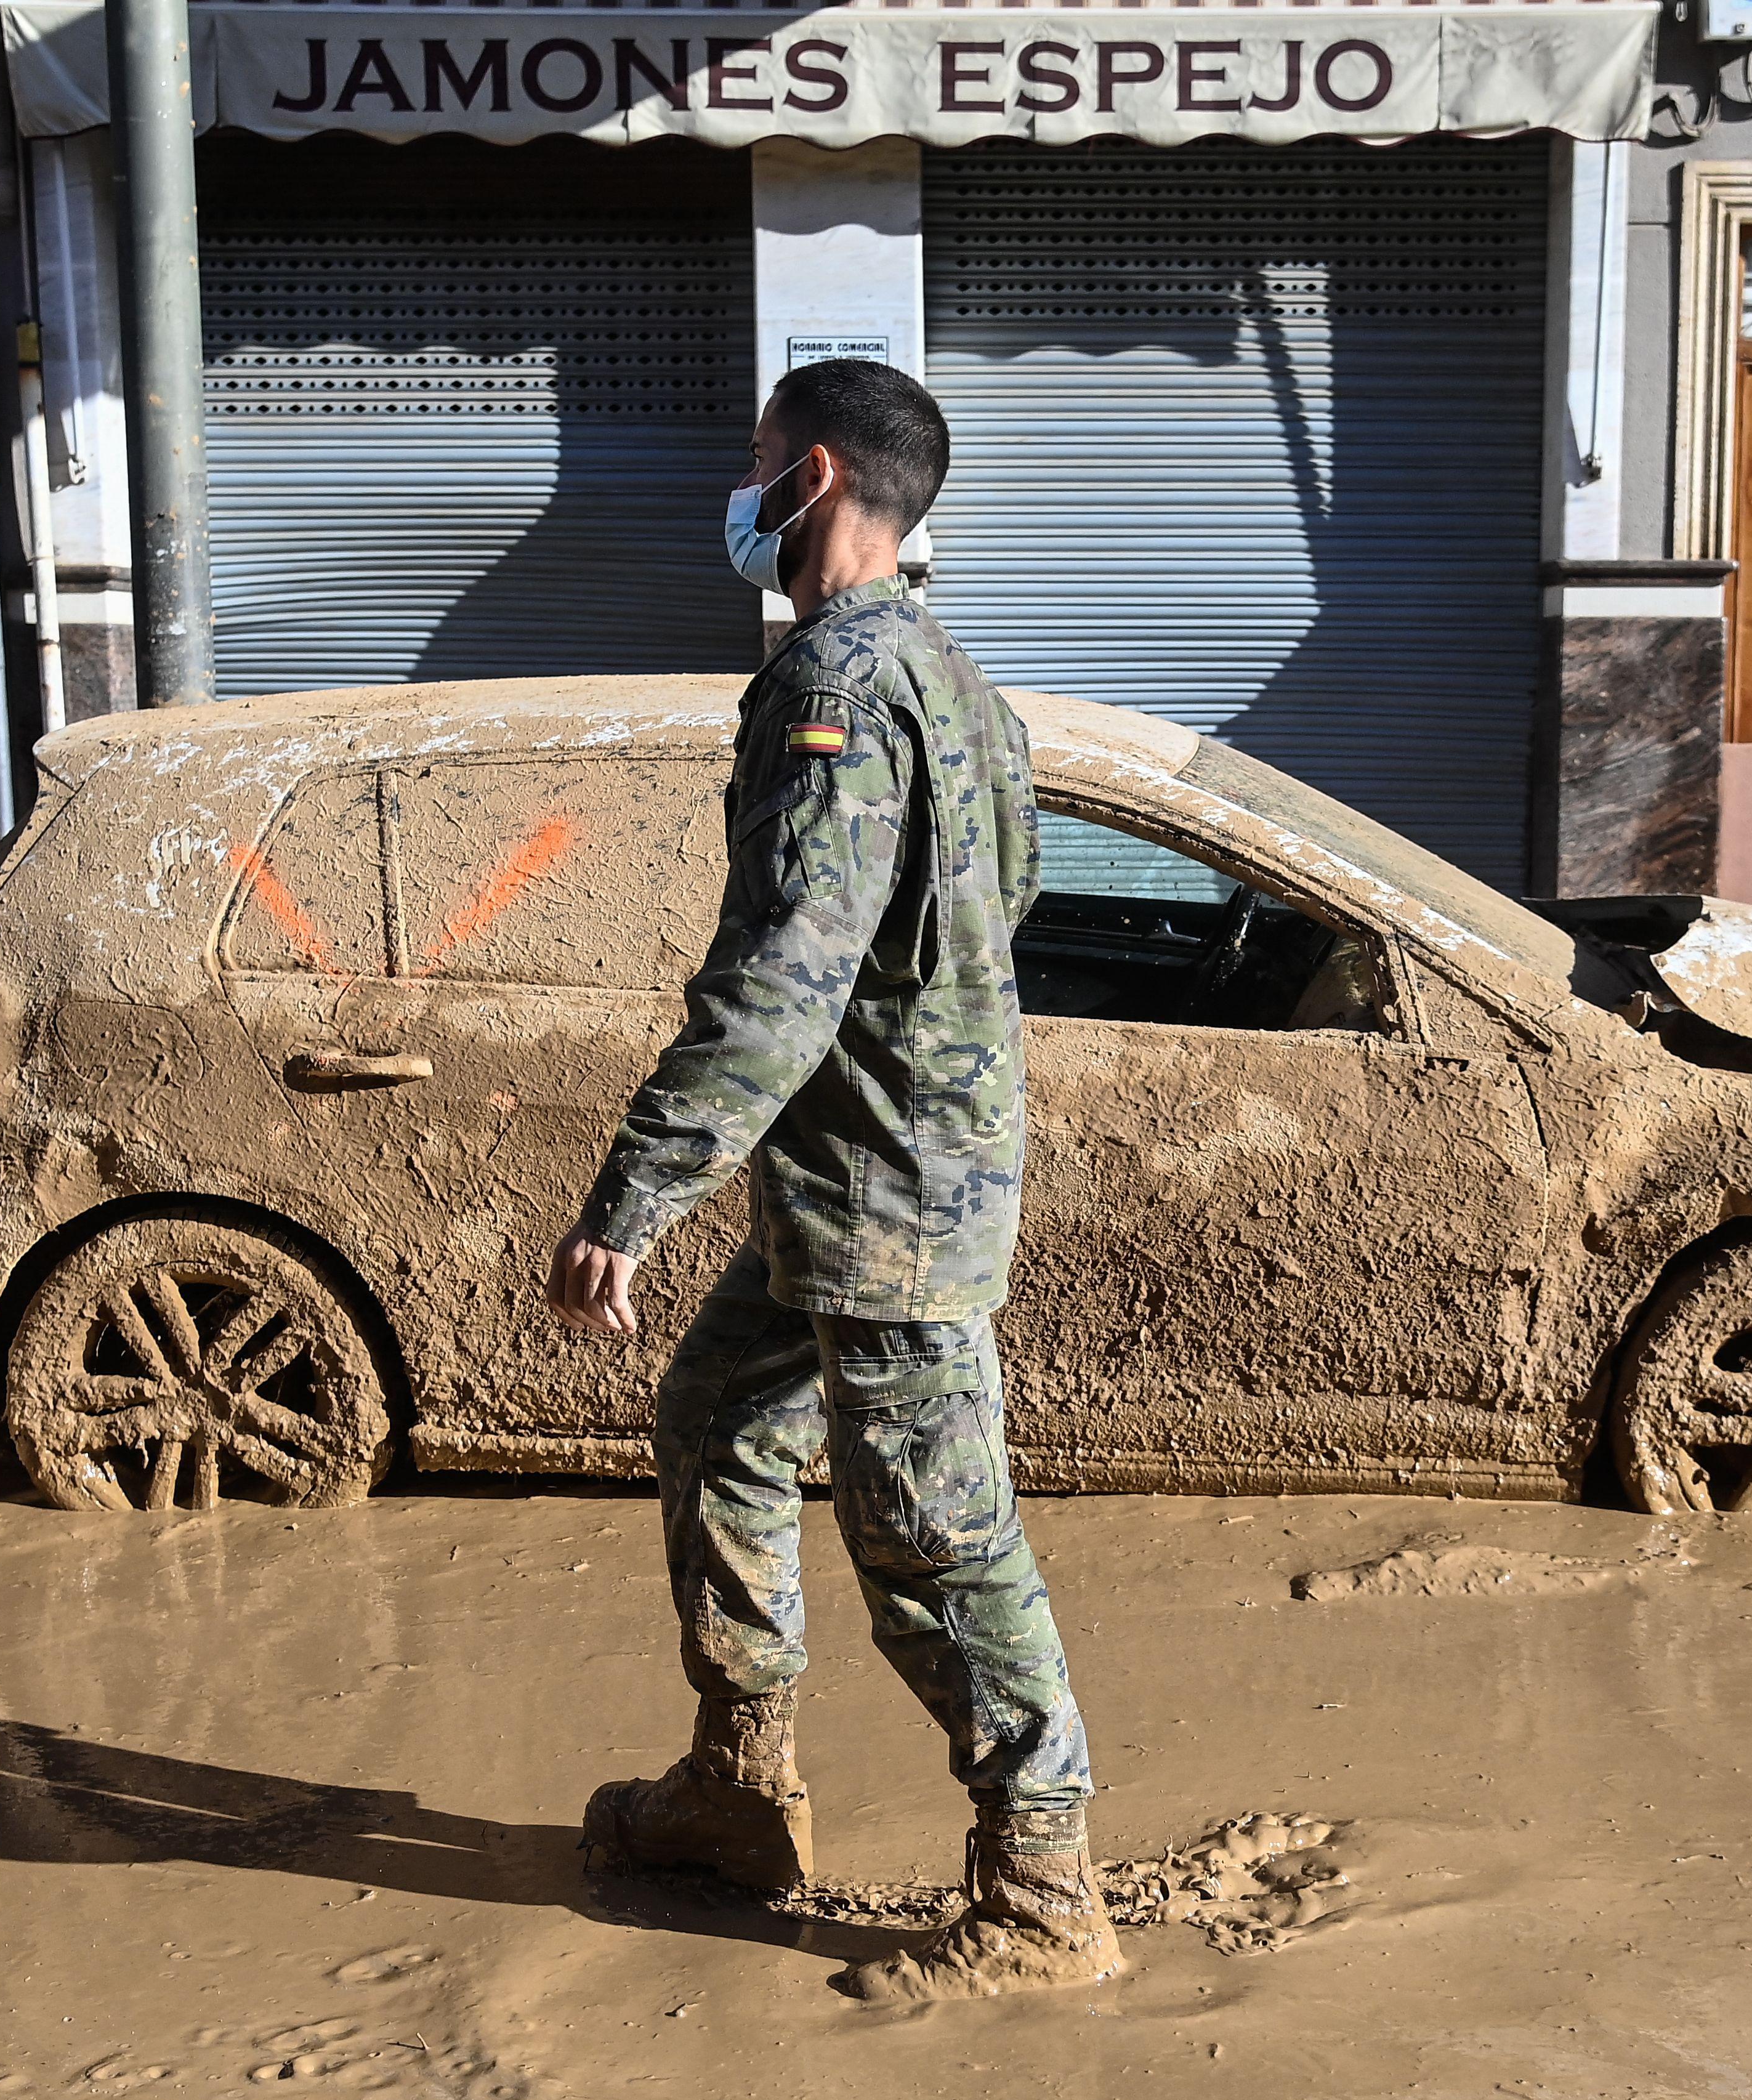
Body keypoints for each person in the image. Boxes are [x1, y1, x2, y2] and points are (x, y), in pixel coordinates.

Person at [543, 359, 1120, 2004]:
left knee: (935, 1534)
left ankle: (1040, 1885)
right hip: (862, 1174)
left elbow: (786, 974)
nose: (737, 498)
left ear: (807, 481)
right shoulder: (954, 681)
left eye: (749, 468)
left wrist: (630, 1197)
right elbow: (988, 911)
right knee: (719, 1415)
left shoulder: (843, 690)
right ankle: (737, 1787)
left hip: (888, 1195)